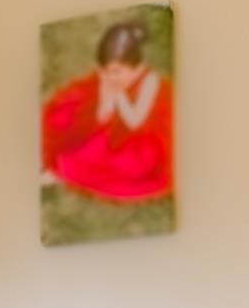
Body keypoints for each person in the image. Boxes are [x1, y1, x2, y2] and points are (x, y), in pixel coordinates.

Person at [41, 19, 174, 203]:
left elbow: (135, 122)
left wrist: (119, 95)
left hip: (143, 140)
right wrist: (107, 95)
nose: (111, 77)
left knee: (132, 167)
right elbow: (103, 117)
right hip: (115, 133)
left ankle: (77, 172)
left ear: (136, 67)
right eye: (106, 71)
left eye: (117, 71)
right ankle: (64, 170)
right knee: (83, 149)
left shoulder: (149, 81)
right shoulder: (109, 79)